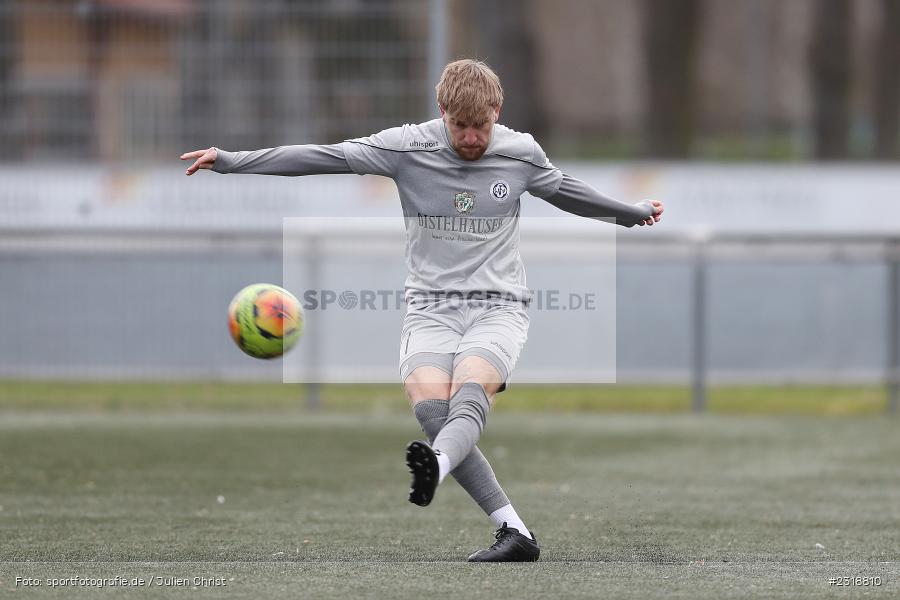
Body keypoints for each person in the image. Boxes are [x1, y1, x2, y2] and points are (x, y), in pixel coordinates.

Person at [181, 59, 664, 563]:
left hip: (497, 307)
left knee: (469, 392)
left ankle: (438, 464)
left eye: (482, 125)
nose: (473, 137)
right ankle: (514, 532)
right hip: (430, 308)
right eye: (461, 126)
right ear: (442, 112)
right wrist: (232, 160)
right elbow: (324, 156)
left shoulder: (520, 153)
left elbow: (568, 193)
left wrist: (631, 214)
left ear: (498, 112)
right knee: (432, 407)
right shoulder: (406, 147)